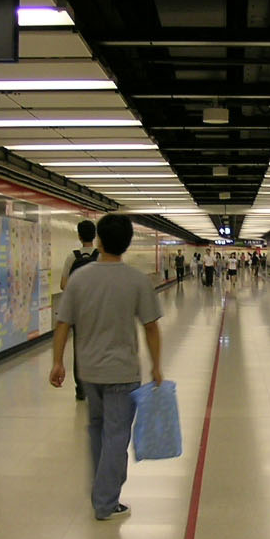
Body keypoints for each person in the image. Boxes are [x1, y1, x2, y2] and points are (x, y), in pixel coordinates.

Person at [49, 213, 162, 520]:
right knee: (116, 435)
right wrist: (156, 366)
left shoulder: (79, 279)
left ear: (98, 240)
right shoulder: (136, 280)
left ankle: (102, 490)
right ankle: (105, 500)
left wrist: (58, 362)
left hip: (89, 372)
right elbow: (151, 327)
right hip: (123, 372)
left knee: (97, 429)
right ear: (126, 244)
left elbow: (62, 324)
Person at [60, 218, 100, 400]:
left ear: (79, 235)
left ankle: (81, 388)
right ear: (95, 236)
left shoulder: (72, 257)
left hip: (78, 311)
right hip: (98, 311)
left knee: (79, 346)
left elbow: (63, 285)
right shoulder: (100, 256)